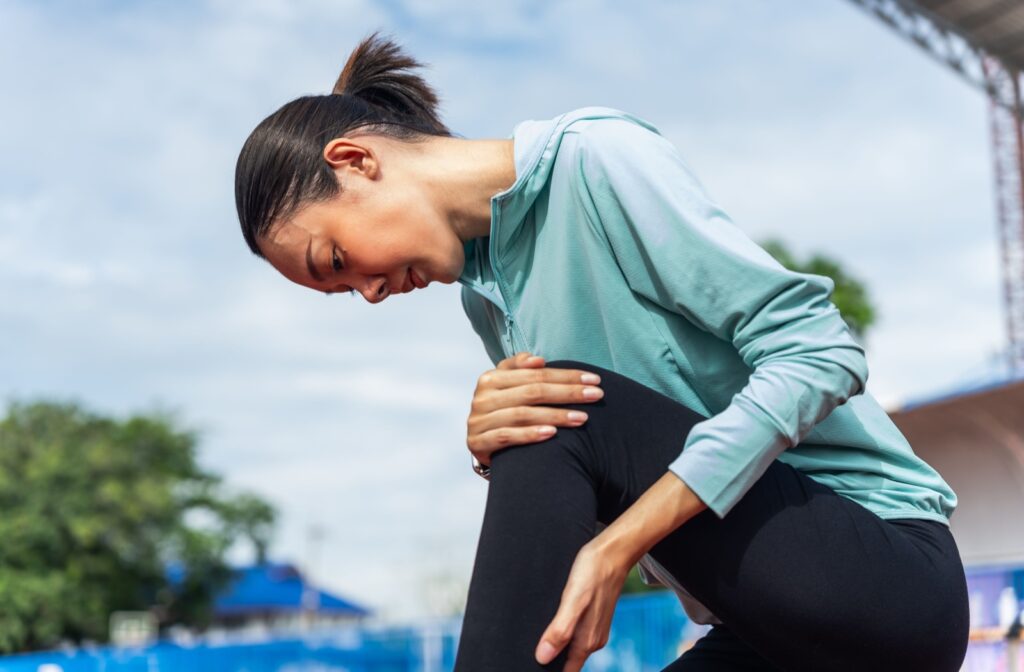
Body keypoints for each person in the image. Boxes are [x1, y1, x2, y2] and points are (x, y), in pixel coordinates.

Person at [233, 30, 970, 672]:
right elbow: (581, 497)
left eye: (336, 261)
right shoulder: (484, 297)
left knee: (553, 414)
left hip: (887, 578)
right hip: (760, 630)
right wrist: (494, 451)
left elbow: (821, 350)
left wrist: (617, 542)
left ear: (356, 160)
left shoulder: (593, 160)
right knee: (536, 417)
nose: (366, 293)